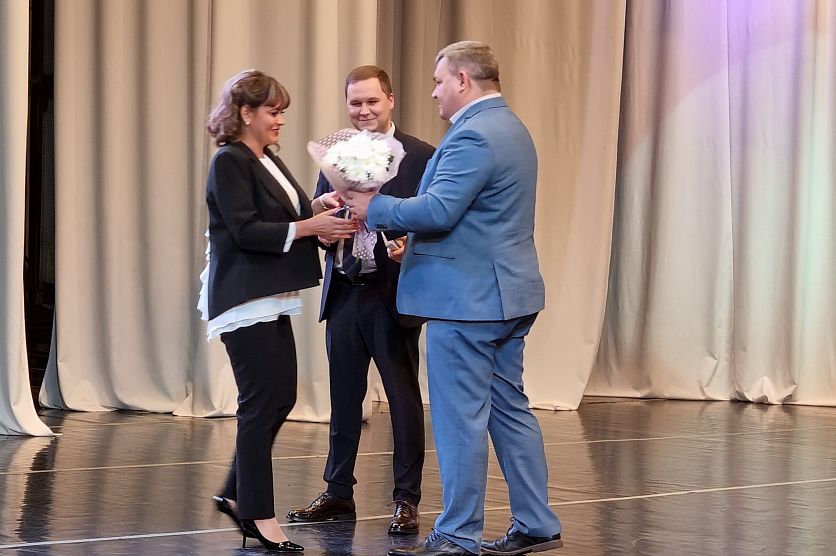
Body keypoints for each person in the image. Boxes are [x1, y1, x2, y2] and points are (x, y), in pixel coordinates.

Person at [344, 42, 563, 556]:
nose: (435, 92)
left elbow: (440, 210)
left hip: (467, 302)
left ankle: (457, 533)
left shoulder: (473, 134)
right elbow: (481, 218)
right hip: (505, 295)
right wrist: (415, 247)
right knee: (509, 410)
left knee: (459, 418)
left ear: (463, 80)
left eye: (439, 81)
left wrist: (375, 207)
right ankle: (536, 523)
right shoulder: (511, 127)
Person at [201, 69, 358, 553]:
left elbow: (285, 215)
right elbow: (246, 230)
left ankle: (235, 492)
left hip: (268, 293)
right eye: (273, 111)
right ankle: (257, 514)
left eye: (282, 111)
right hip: (242, 295)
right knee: (260, 404)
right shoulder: (230, 161)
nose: (280, 120)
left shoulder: (266, 157)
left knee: (280, 397)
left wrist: (318, 207)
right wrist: (311, 227)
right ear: (245, 113)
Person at [287, 65, 434, 535]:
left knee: (403, 400)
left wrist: (411, 245)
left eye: (372, 101)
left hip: (392, 294)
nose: (364, 110)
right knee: (344, 398)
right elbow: (320, 222)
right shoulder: (337, 154)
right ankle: (337, 492)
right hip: (345, 291)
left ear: (390, 100)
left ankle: (406, 499)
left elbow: (435, 219)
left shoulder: (421, 156)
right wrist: (322, 222)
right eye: (355, 102)